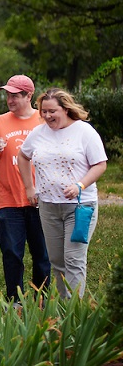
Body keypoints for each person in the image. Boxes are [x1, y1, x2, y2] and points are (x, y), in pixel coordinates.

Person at [18, 88, 107, 297]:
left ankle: (74, 313)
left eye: (52, 111)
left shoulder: (84, 131)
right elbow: (23, 156)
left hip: (80, 207)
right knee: (57, 261)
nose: (47, 116)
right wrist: (30, 188)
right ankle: (63, 310)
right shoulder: (38, 133)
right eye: (44, 112)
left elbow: (100, 164)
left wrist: (80, 185)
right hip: (48, 207)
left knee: (74, 260)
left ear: (65, 109)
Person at [0, 74, 50, 301]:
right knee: (12, 254)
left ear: (28, 95)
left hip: (41, 199)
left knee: (42, 254)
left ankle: (43, 300)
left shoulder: (44, 120)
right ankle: (15, 301)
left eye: (15, 95)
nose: (10, 100)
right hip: (9, 200)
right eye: (8, 95)